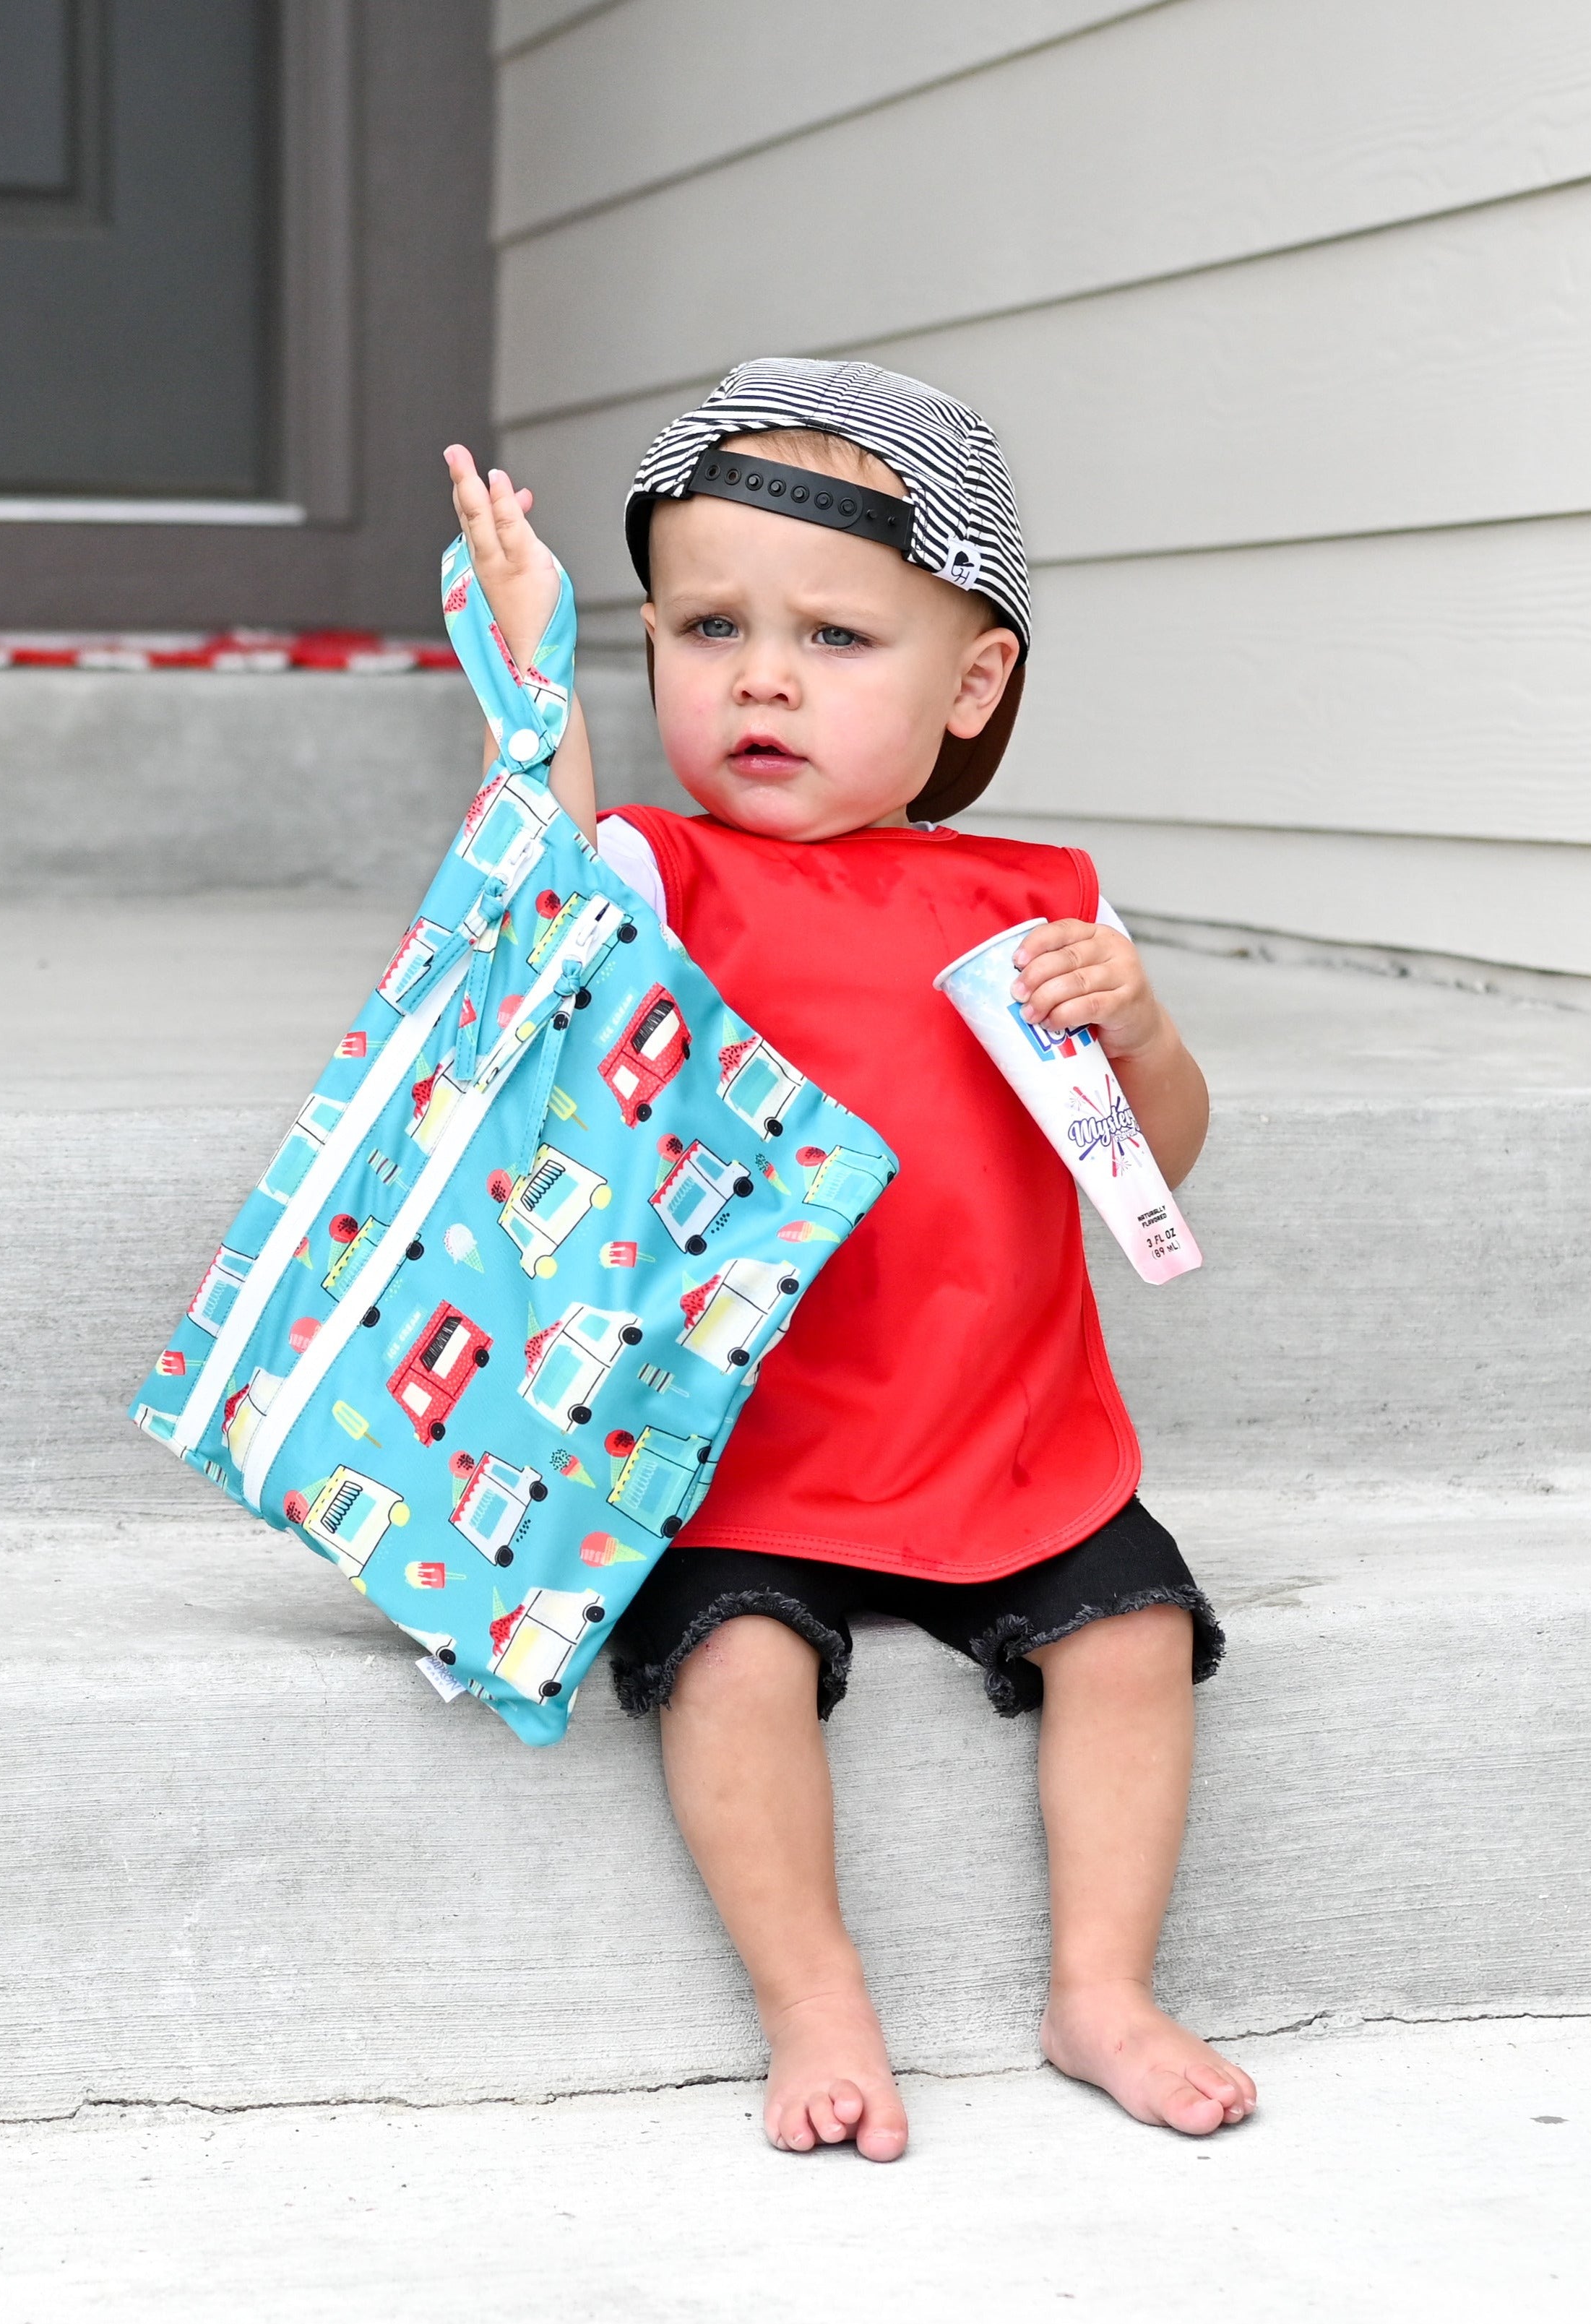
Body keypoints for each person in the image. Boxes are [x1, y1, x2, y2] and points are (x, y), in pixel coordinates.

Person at [444, 357, 1254, 2160]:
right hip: (743, 1438)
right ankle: (810, 1991)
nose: (761, 677)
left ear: (972, 684)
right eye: (707, 623)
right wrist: (528, 670)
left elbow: (1157, 1168)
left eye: (835, 638)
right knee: (729, 1663)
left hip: (1002, 1423)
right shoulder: (660, 877)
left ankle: (1099, 1985)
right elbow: (534, 906)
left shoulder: (1035, 908)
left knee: (1127, 1633)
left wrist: (1141, 1035)